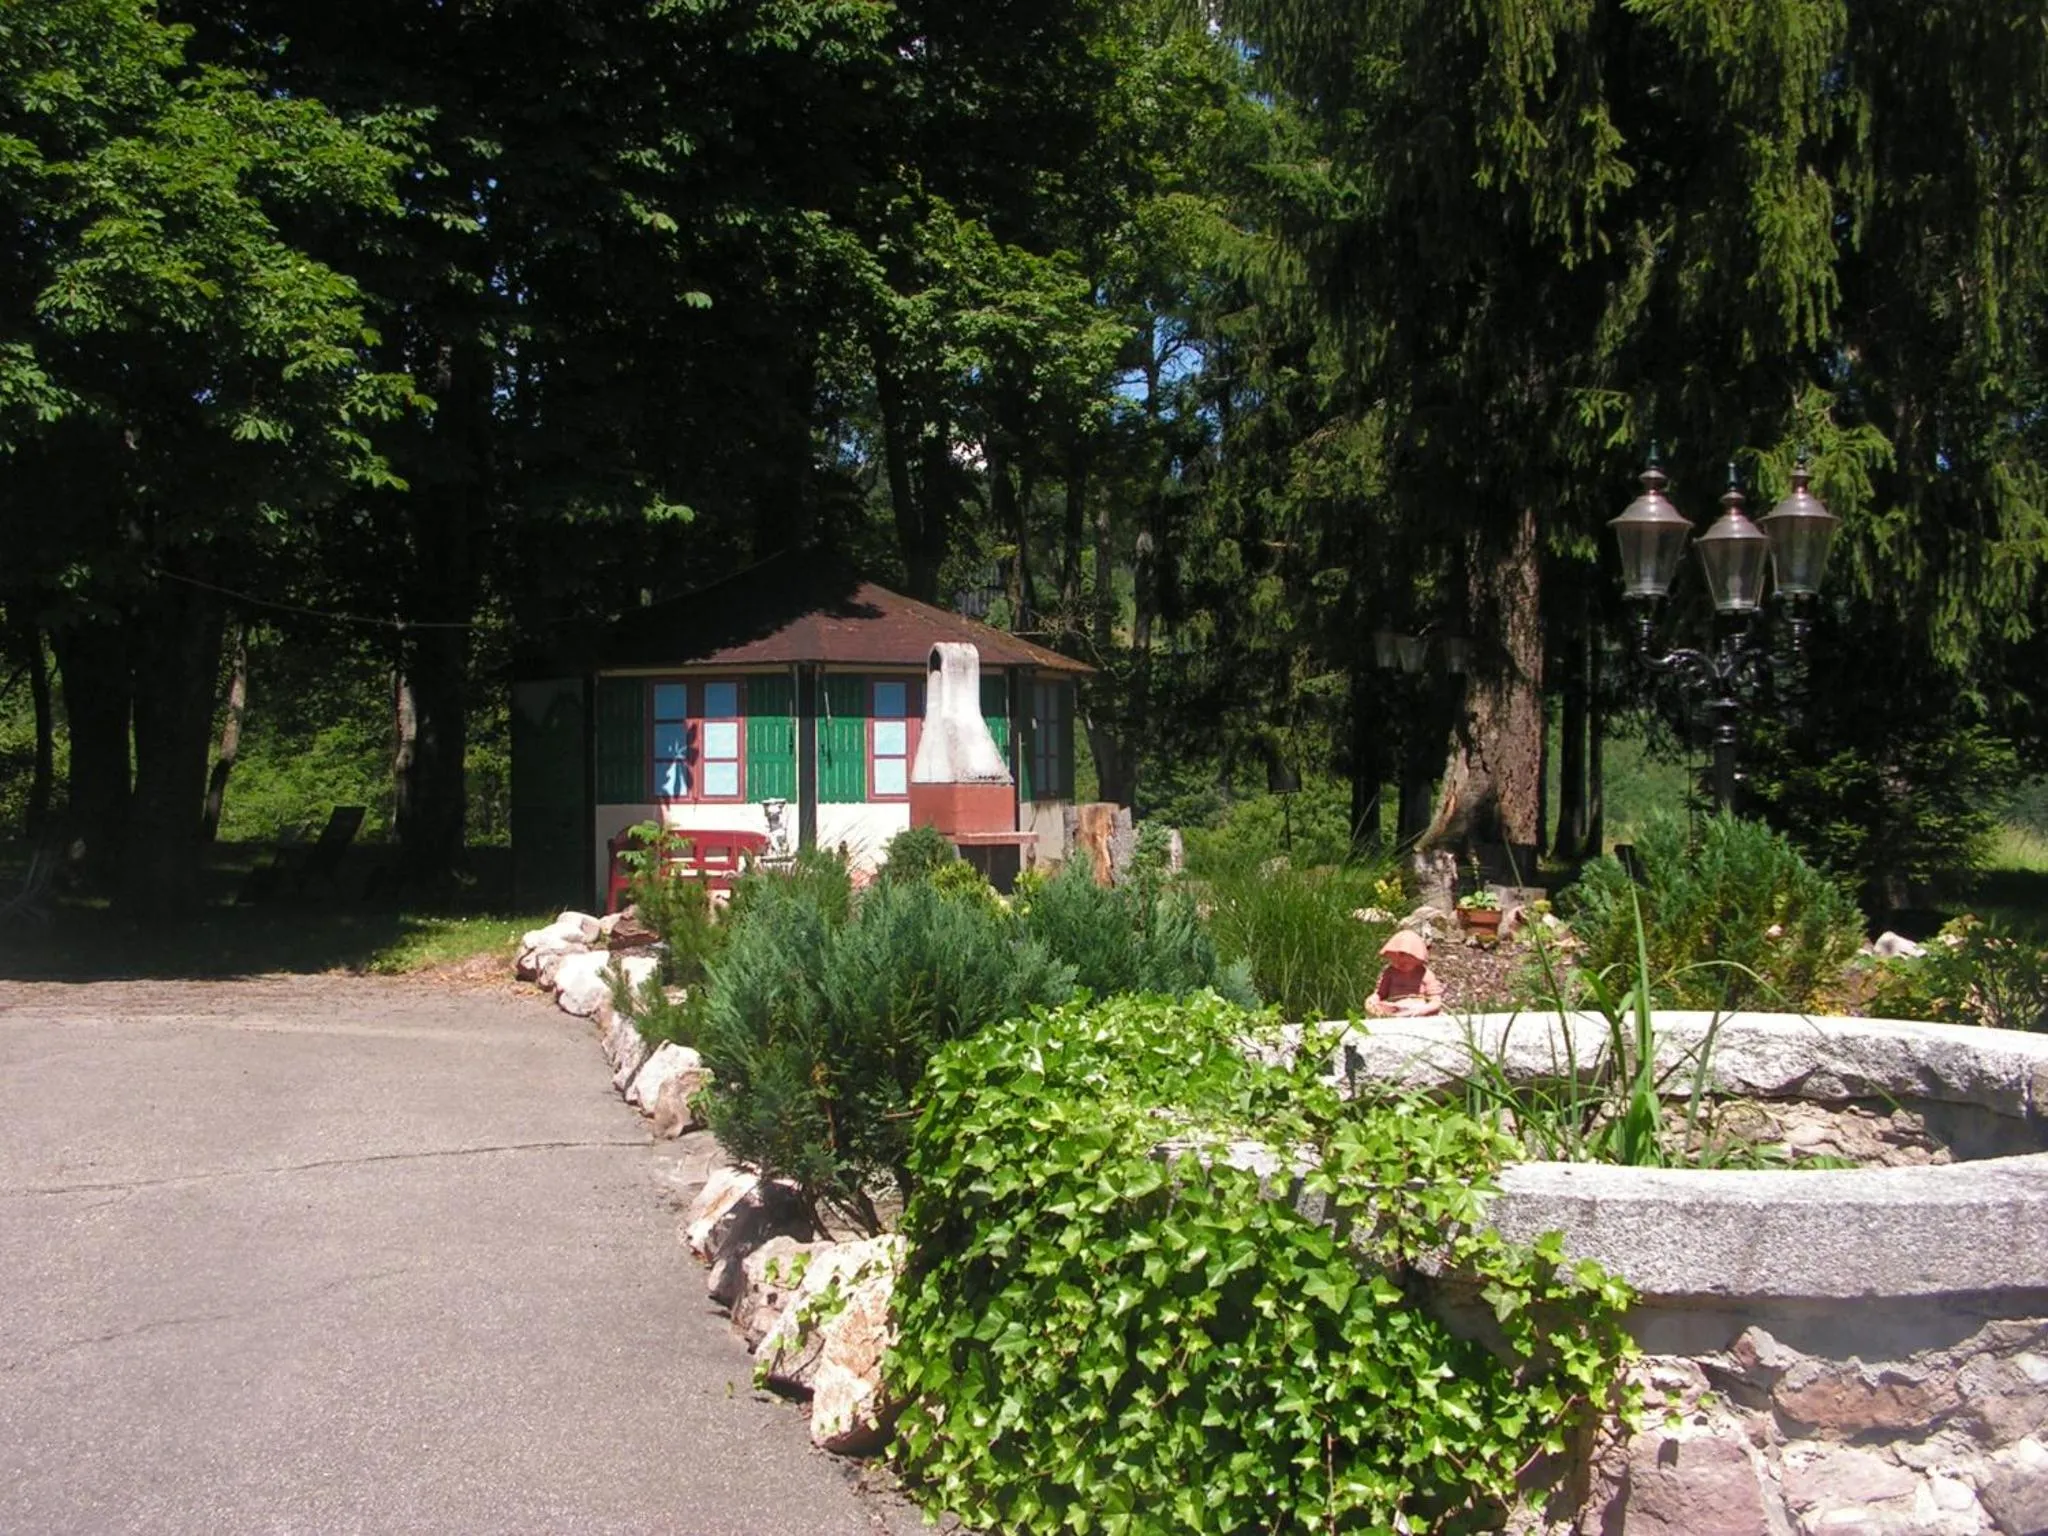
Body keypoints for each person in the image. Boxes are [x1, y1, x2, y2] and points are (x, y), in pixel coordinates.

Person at [1366, 930, 1445, 1017]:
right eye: (1394, 961)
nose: (1399, 964)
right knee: (1377, 1008)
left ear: (1418, 958)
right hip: (1394, 1007)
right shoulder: (1390, 972)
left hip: (1416, 1009)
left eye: (1406, 963)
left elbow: (1436, 1001)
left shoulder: (1425, 974)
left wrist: (1421, 1010)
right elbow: (1380, 994)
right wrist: (1373, 1000)